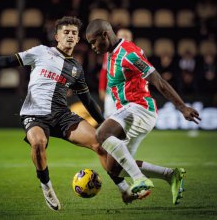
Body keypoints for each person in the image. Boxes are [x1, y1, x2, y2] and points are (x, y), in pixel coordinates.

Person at [0, 16, 155, 211]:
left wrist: (105, 124)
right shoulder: (41, 52)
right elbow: (11, 60)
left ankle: (124, 189)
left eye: (74, 33)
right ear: (57, 36)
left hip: (62, 115)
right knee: (38, 143)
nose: (70, 36)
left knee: (100, 143)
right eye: (66, 32)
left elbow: (87, 101)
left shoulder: (76, 68)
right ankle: (46, 186)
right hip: (34, 113)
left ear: (78, 39)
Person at [86, 19, 201, 205]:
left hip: (140, 108)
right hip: (130, 112)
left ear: (104, 35)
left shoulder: (128, 54)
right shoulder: (113, 54)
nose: (92, 47)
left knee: (102, 133)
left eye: (93, 42)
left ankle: (139, 179)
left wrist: (182, 107)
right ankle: (171, 176)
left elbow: (158, 81)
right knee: (114, 168)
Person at [99, 28, 133, 118]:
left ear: (131, 38)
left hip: (128, 93)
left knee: (126, 120)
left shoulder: (135, 53)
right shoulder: (109, 53)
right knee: (109, 119)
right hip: (111, 93)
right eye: (120, 36)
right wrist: (101, 88)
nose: (123, 38)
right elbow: (104, 71)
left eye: (126, 36)